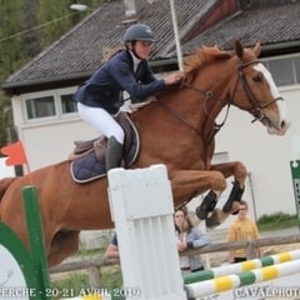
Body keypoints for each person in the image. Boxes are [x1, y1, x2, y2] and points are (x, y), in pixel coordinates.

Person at [74, 23, 183, 172]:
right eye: (144, 44)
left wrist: (177, 85)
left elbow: (154, 85)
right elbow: (136, 92)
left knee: (134, 127)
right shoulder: (119, 63)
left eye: (149, 44)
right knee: (117, 133)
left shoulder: (141, 63)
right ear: (131, 45)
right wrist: (165, 81)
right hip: (90, 105)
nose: (147, 48)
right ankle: (113, 178)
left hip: (109, 105)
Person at [175, 208, 211, 274]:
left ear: (185, 218)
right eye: (177, 216)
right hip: (179, 271)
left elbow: (207, 239)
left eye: (181, 216)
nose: (179, 218)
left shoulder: (193, 231)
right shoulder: (173, 234)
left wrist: (189, 244)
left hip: (195, 269)